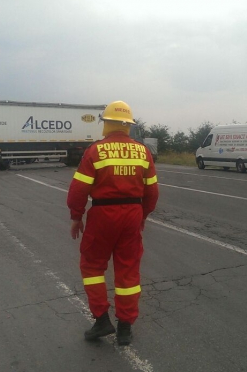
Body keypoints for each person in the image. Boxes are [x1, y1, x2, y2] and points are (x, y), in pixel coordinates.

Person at [66, 100, 159, 346]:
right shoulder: (143, 151)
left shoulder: (95, 151)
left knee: (92, 267)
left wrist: (76, 217)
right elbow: (152, 192)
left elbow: (78, 189)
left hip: (102, 216)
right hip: (132, 214)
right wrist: (143, 216)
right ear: (128, 125)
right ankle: (125, 328)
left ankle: (101, 320)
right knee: (128, 271)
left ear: (107, 123)